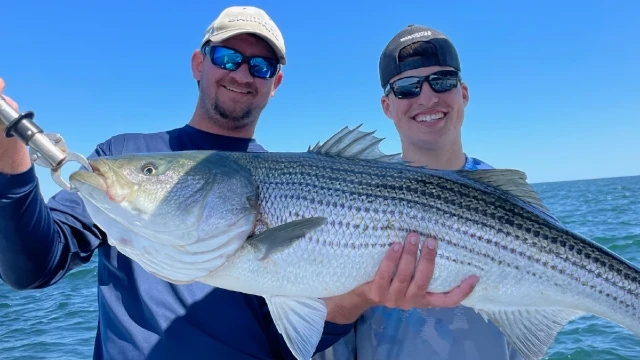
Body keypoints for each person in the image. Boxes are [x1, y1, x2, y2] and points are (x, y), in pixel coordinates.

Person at [0, 7, 478, 360]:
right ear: (198, 63)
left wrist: (359, 297)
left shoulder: (290, 178)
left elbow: (292, 340)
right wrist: (9, 148)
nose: (243, 73)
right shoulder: (123, 156)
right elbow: (32, 267)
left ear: (276, 83)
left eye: (262, 66)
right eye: (228, 56)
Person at [315, 25, 522, 360]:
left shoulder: (509, 199)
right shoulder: (351, 196)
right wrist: (361, 296)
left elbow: (537, 323)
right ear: (387, 106)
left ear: (463, 93)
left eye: (442, 81)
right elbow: (319, 339)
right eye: (407, 88)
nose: (427, 98)